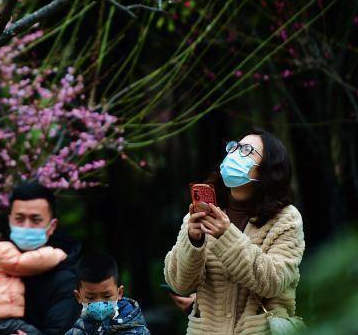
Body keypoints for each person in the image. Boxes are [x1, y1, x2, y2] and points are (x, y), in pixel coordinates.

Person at [163, 129, 306, 334]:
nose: (236, 153)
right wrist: (193, 241)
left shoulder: (286, 218)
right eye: (235, 147)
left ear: (269, 169)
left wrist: (226, 235)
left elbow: (274, 282)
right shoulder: (204, 210)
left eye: (247, 150)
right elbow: (179, 283)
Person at [0, 181, 83, 335]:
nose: (26, 226)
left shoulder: (65, 280)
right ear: (10, 220)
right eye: (19, 219)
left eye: (35, 220)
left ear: (51, 226)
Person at [65, 253, 149, 334]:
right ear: (78, 297)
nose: (99, 304)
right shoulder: (77, 331)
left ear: (119, 292)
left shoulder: (137, 331)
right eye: (90, 298)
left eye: (107, 296)